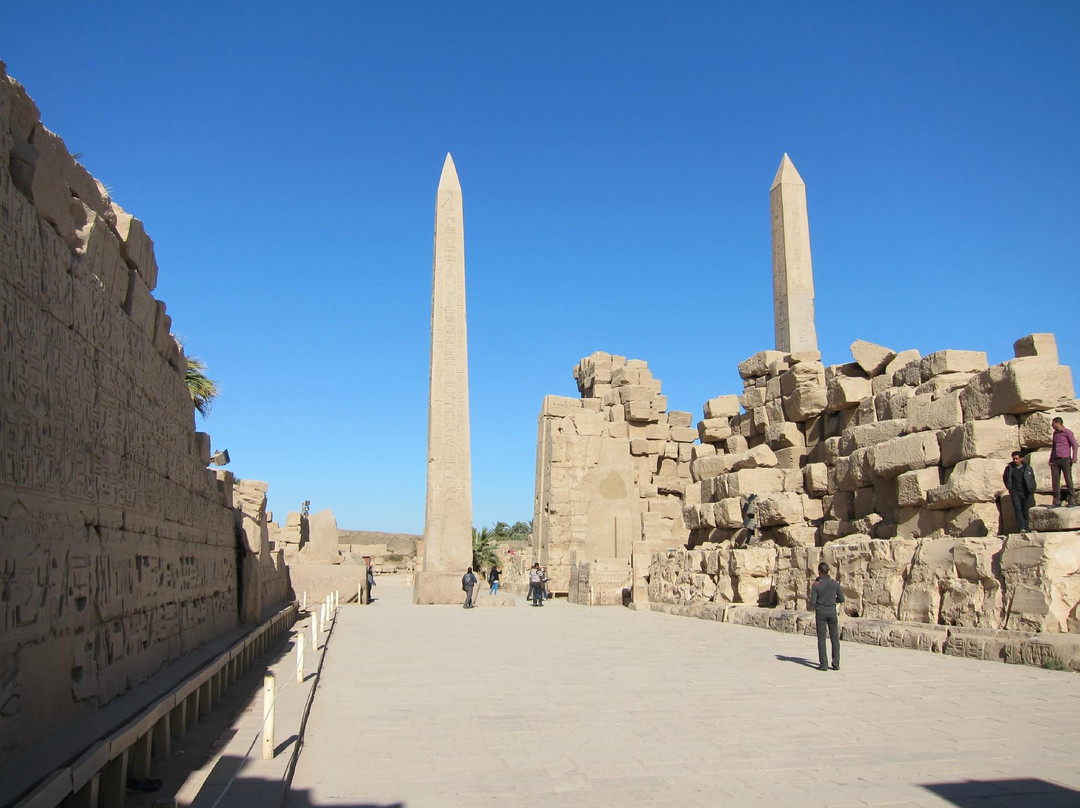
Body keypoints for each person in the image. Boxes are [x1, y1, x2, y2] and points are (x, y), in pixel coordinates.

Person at [810, 562, 845, 671]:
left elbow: (812, 601)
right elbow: (842, 599)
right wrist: (832, 601)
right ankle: (836, 663)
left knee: (821, 638)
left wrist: (821, 603)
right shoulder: (835, 583)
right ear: (828, 571)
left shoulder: (816, 585)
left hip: (821, 612)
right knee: (834, 638)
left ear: (819, 571)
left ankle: (824, 664)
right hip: (832, 611)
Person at [1003, 451, 1036, 531]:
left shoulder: (1027, 468)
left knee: (1026, 510)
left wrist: (1032, 488)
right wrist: (1009, 488)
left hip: (1025, 492)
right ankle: (1021, 528)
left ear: (1021, 458)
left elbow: (1032, 479)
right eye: (1013, 459)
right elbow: (1005, 478)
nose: (1015, 460)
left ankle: (1027, 527)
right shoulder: (1009, 468)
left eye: (1016, 459)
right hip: (1015, 492)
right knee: (1018, 510)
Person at [1049, 417, 1078, 507]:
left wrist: (1074, 457)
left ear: (1058, 423)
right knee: (1055, 481)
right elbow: (1053, 447)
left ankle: (1071, 501)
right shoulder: (1055, 434)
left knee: (1068, 480)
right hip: (1055, 460)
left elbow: (1075, 445)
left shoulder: (1067, 432)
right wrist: (1050, 458)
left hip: (1065, 459)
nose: (1052, 425)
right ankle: (1057, 501)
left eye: (1053, 423)